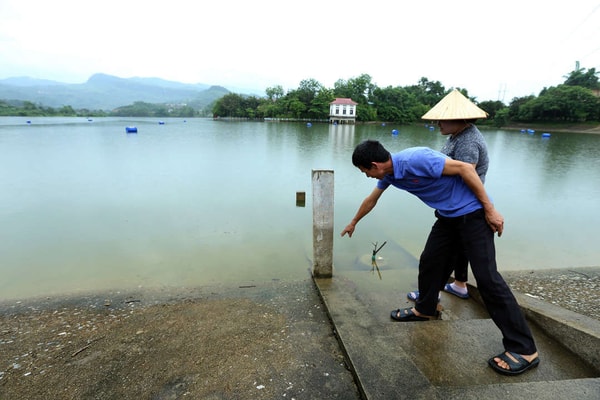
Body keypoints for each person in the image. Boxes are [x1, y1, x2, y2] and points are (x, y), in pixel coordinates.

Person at [340, 139, 540, 375]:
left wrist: (490, 209)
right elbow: (371, 199)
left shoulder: (417, 158)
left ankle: (525, 349)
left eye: (365, 171)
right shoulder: (390, 174)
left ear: (375, 165)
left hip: (474, 214)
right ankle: (426, 309)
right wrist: (354, 221)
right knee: (430, 263)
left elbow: (466, 168)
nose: (366, 176)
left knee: (488, 279)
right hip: (448, 217)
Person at [408, 89, 489, 301]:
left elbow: (467, 173)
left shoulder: (468, 141)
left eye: (443, 120)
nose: (438, 124)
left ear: (459, 119)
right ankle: (457, 285)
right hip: (458, 205)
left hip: (462, 206)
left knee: (436, 256)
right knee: (457, 248)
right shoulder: (457, 136)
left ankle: (429, 296)